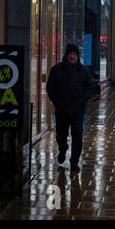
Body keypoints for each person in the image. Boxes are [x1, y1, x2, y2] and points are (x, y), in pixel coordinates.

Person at [47, 44, 94, 172]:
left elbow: (89, 88)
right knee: (61, 135)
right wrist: (57, 103)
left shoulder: (84, 71)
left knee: (77, 134)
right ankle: (62, 149)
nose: (72, 56)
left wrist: (82, 102)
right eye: (70, 54)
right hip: (61, 110)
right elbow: (50, 88)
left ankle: (74, 162)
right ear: (66, 55)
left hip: (77, 110)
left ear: (78, 56)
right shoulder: (56, 69)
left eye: (75, 54)